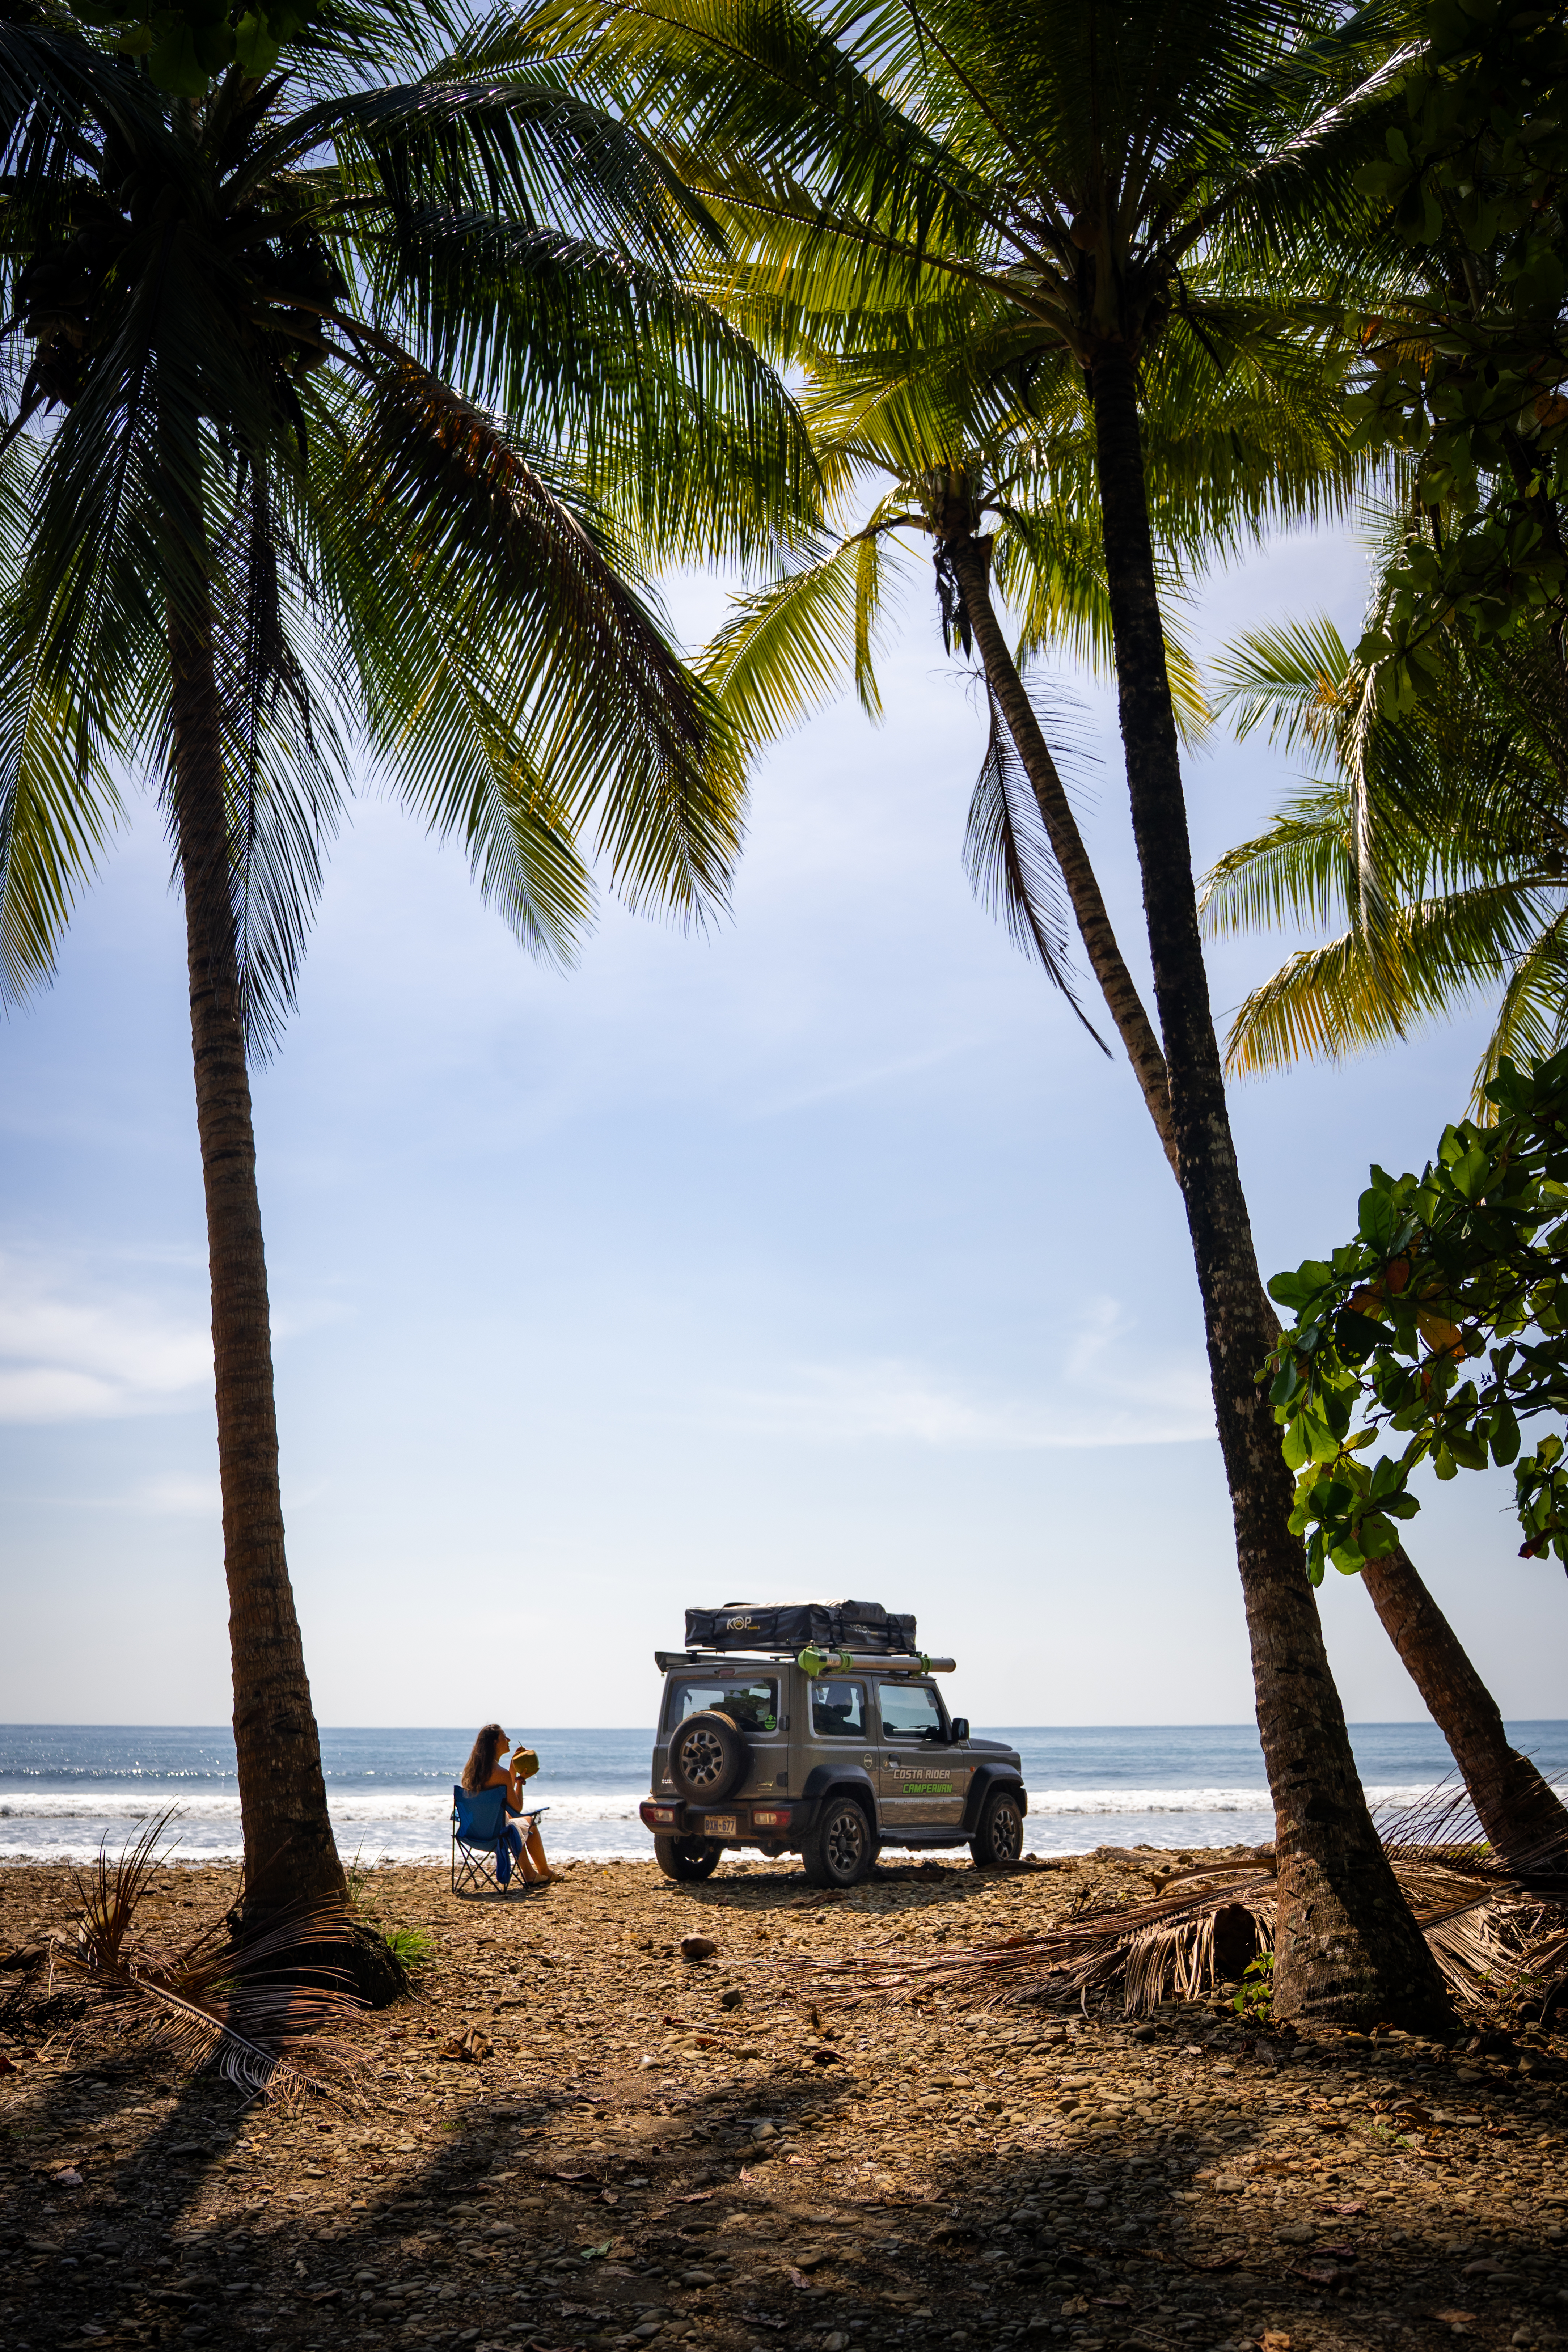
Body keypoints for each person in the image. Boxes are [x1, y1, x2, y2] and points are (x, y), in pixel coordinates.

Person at [460, 1723, 553, 1890]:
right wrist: (520, 1782)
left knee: (511, 1822)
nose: (509, 1740)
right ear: (495, 1742)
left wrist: (512, 1766)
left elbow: (504, 1785)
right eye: (504, 1737)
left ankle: (532, 1874)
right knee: (528, 1822)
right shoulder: (500, 1774)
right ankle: (541, 1872)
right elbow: (517, 1807)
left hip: (472, 1833)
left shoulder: (472, 1770)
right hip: (497, 1836)